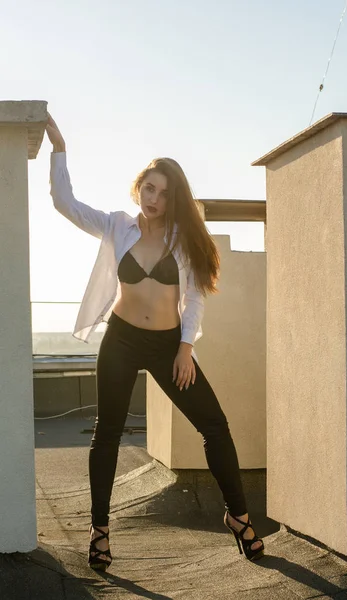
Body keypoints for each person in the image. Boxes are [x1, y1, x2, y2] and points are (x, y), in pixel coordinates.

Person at [45, 114, 265, 570]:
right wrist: (59, 144)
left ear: (174, 198)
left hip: (168, 345)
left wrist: (186, 347)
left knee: (214, 426)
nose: (155, 199)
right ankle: (100, 530)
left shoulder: (184, 240)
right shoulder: (115, 225)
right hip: (121, 340)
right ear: (138, 186)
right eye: (149, 188)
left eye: (164, 193)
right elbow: (63, 202)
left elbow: (196, 296)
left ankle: (238, 517)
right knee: (106, 433)